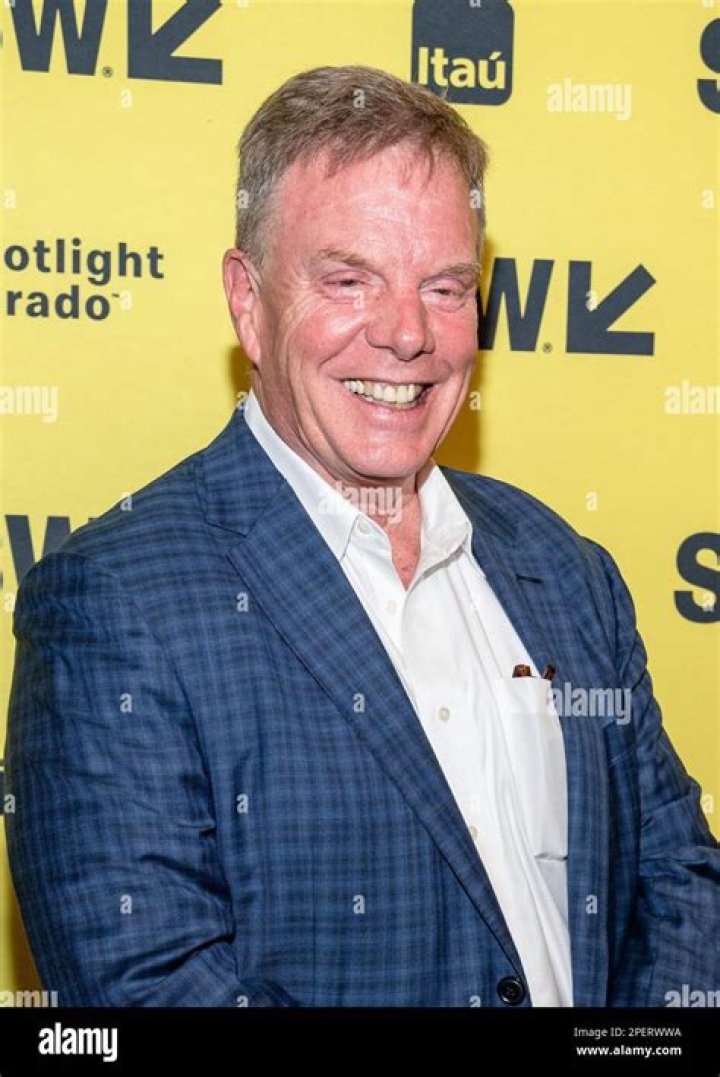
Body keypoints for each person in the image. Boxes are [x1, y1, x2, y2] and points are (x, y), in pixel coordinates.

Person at [5, 65, 718, 1008]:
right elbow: (148, 989)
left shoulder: (568, 569)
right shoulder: (114, 603)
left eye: (446, 287)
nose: (408, 333)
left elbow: (678, 882)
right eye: (349, 280)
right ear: (248, 300)